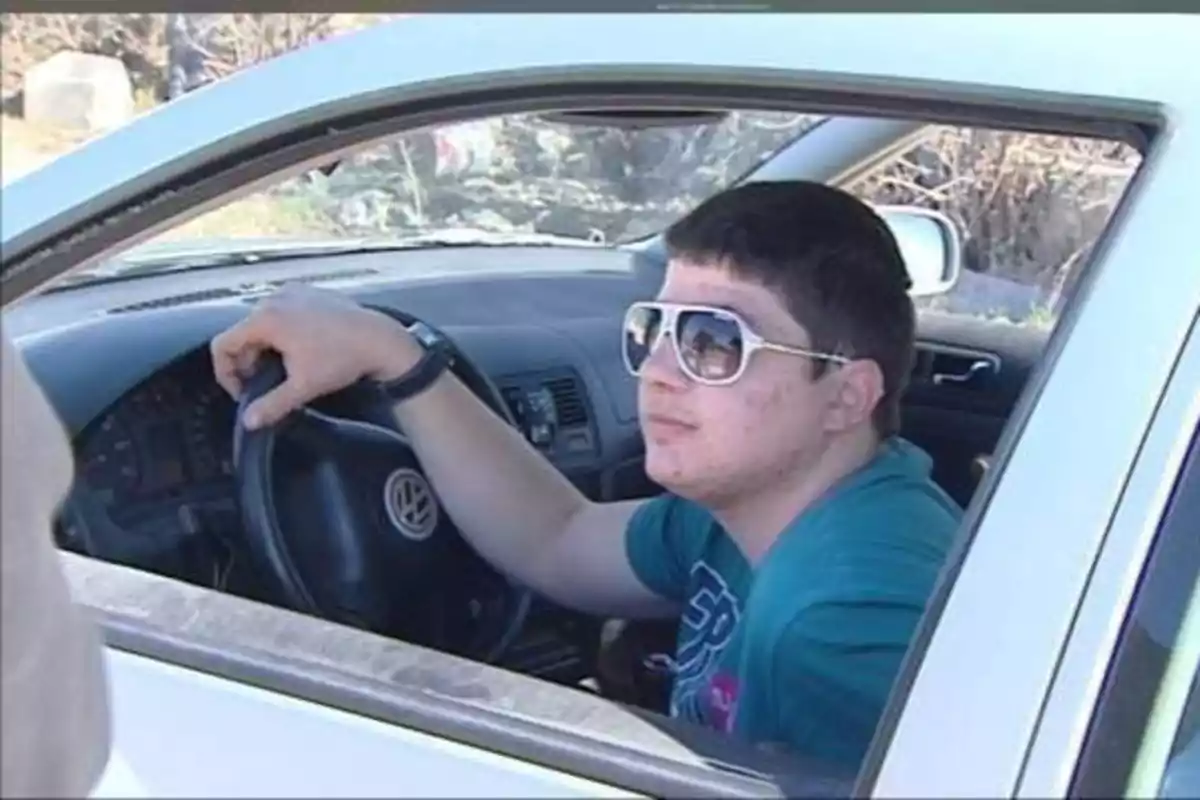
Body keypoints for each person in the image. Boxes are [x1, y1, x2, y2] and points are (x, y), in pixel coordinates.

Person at [210, 180, 962, 768]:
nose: (660, 373)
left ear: (846, 396)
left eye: (713, 341)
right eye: (653, 330)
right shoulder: (758, 505)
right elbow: (557, 539)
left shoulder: (844, 617)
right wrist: (397, 360)